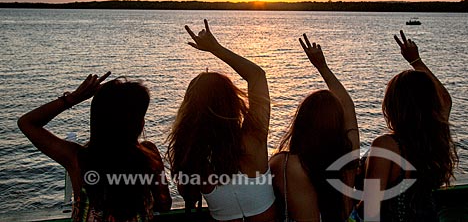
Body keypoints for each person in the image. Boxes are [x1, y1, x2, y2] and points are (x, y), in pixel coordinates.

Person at [18, 74, 172, 222]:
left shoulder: (78, 159)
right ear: (138, 123)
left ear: (97, 120)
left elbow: (27, 123)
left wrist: (73, 98)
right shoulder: (148, 155)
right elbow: (164, 204)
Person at [167, 19, 277, 222]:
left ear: (190, 112)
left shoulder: (193, 159)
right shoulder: (253, 140)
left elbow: (188, 196)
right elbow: (257, 76)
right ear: (232, 103)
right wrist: (215, 49)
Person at [352, 31, 458, 222]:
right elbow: (445, 100)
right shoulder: (434, 141)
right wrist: (415, 61)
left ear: (393, 105)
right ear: (432, 104)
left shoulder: (387, 146)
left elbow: (370, 210)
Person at [270, 34, 360, 222]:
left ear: (301, 122)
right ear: (337, 125)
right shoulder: (347, 158)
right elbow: (348, 107)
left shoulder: (284, 164)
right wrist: (322, 67)